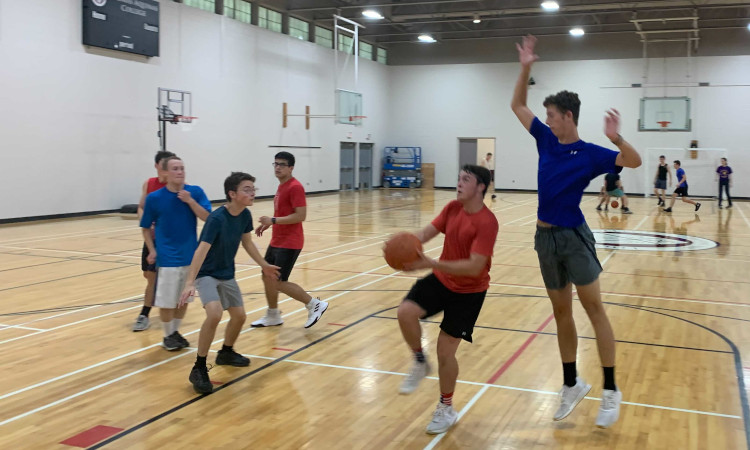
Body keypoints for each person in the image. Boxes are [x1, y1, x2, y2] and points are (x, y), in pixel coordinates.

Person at [510, 35, 642, 428]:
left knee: (594, 310)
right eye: (546, 115)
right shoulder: (545, 139)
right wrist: (525, 67)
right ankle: (571, 384)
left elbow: (633, 161)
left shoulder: (590, 153)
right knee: (560, 311)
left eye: (552, 114)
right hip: (544, 238)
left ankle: (611, 389)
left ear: (568, 116)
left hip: (574, 237)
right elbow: (518, 105)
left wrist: (616, 136)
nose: (546, 119)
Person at [396, 164, 498, 435]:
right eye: (459, 178)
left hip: (470, 292)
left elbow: (475, 266)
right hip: (442, 280)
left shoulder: (488, 222)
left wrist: (429, 262)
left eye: (466, 179)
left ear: (481, 187)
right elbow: (424, 235)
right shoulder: (453, 208)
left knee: (445, 351)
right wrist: (404, 245)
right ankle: (419, 360)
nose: (459, 182)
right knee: (405, 312)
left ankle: (446, 407)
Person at [179, 172, 281, 394]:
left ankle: (226, 352)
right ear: (232, 194)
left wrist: (263, 264)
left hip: (227, 273)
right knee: (214, 313)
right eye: (247, 189)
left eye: (253, 188)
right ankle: (199, 367)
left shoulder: (245, 215)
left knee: (239, 316)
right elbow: (200, 251)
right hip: (206, 273)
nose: (252, 193)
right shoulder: (216, 219)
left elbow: (247, 243)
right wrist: (189, 283)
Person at [251, 152, 329, 328]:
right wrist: (270, 223)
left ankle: (314, 304)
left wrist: (273, 220)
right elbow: (284, 213)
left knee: (278, 281)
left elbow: (301, 215)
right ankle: (273, 315)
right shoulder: (282, 186)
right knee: (267, 276)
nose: (278, 167)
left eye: (282, 164)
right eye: (276, 164)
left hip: (290, 242)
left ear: (291, 168)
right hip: (277, 240)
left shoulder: (295, 187)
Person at [140, 156, 211, 350]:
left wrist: (190, 202)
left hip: (190, 255)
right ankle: (167, 335)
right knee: (167, 300)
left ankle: (175, 332)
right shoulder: (155, 198)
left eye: (182, 168)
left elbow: (208, 217)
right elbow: (145, 227)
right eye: (175, 168)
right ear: (165, 173)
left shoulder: (195, 192)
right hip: (168, 257)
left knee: (183, 299)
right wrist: (152, 249)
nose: (180, 172)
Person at [133, 150, 175, 332]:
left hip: (170, 240)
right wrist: (146, 220)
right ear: (157, 166)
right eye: (165, 165)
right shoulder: (149, 184)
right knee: (149, 276)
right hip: (151, 238)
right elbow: (141, 207)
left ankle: (145, 313)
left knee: (165, 279)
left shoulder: (179, 186)